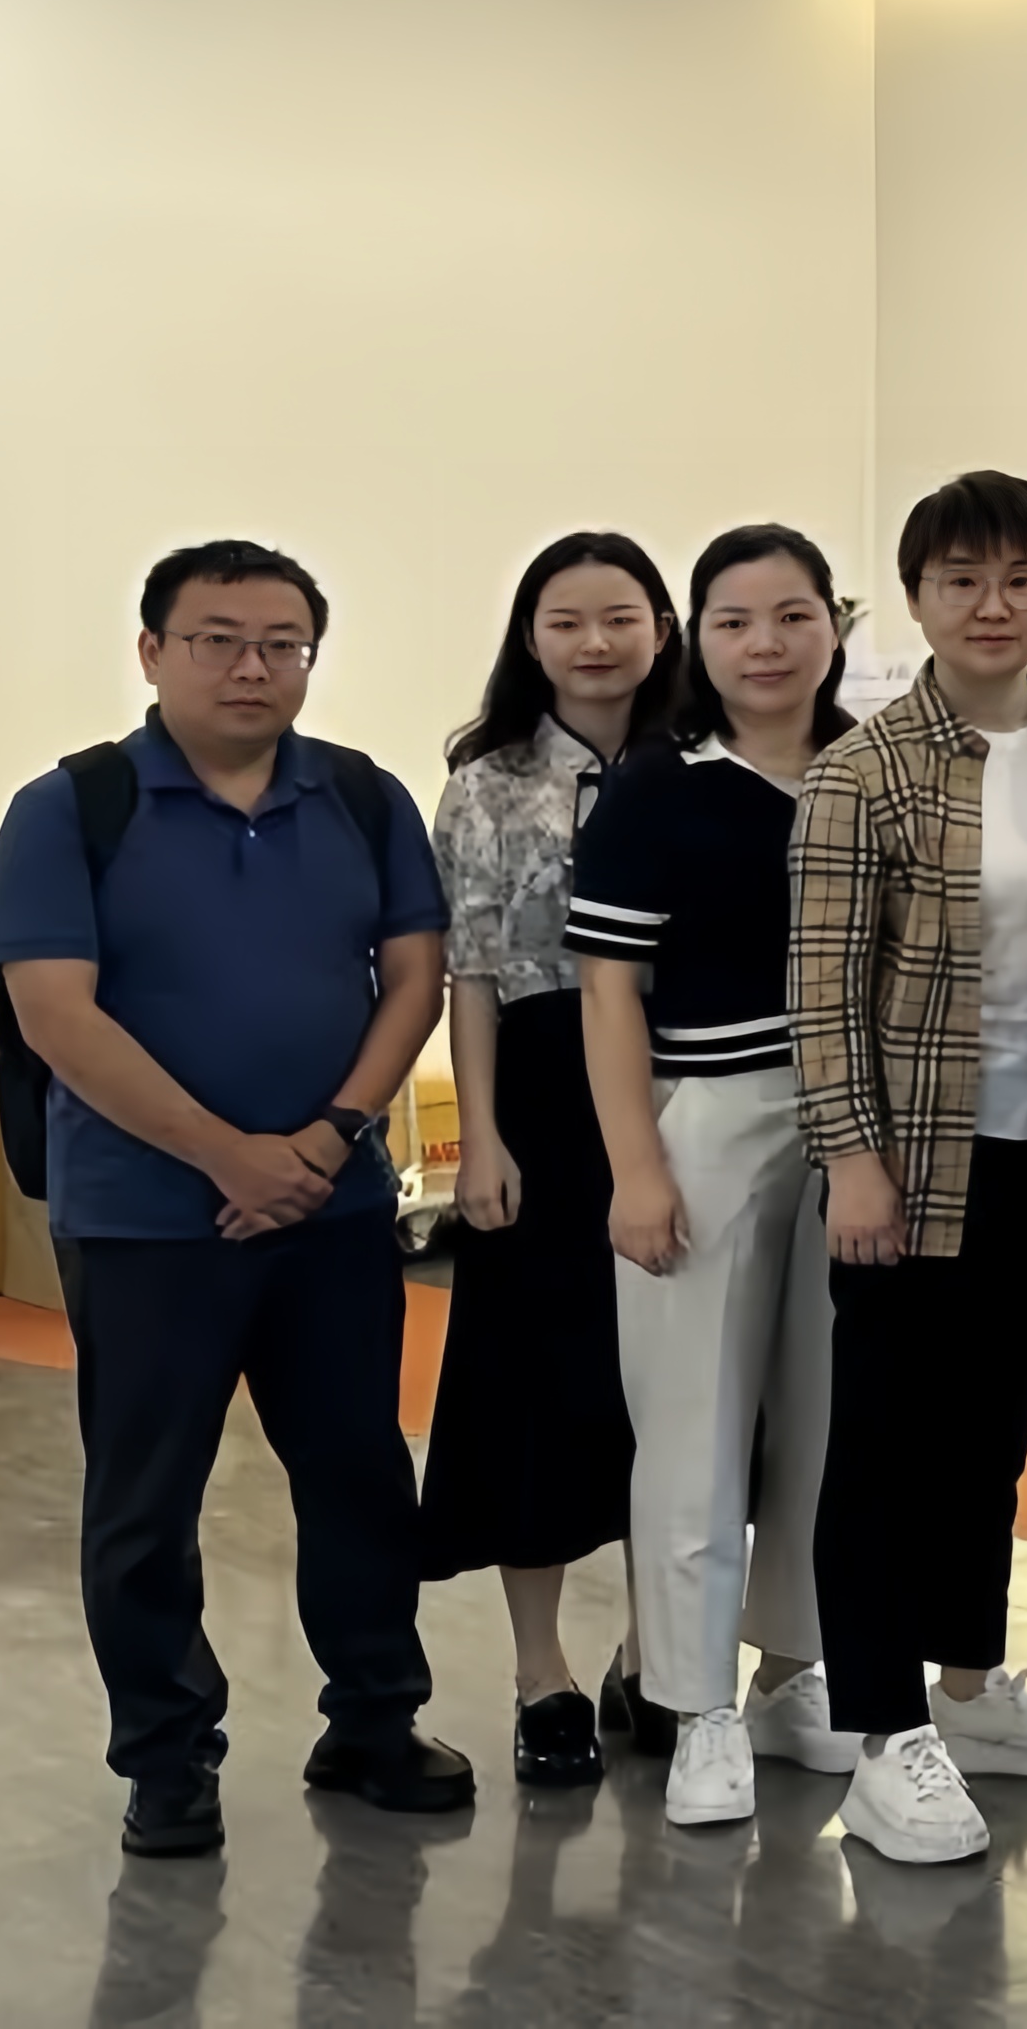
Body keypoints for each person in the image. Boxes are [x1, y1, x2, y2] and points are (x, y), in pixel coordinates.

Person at [0, 540, 465, 1855]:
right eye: (217, 639)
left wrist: (325, 1139)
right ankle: (166, 1757)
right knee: (146, 1499)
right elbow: (56, 1015)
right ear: (153, 651)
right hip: (145, 1222)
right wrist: (227, 1155)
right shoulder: (71, 806)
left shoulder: (363, 796)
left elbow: (413, 980)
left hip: (333, 1211)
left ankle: (373, 1719)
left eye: (281, 643)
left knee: (359, 1472)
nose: (252, 666)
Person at [790, 472, 1027, 1868]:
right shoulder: (861, 770)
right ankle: (885, 1734)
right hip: (920, 1157)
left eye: (1022, 578)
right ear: (917, 596)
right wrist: (853, 1162)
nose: (994, 605)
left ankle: (971, 1687)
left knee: (992, 1430)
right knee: (882, 1446)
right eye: (962, 580)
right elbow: (822, 992)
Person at [575, 523, 854, 1828]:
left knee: (829, 1421)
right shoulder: (656, 785)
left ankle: (797, 1672)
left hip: (856, 1125)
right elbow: (609, 994)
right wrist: (636, 1167)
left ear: (835, 624)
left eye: (794, 615)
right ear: (700, 637)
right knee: (693, 1427)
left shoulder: (871, 770)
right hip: (711, 1116)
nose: (767, 644)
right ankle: (695, 1707)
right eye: (736, 620)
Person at [420, 532, 675, 1785]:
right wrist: (482, 1137)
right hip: (538, 1090)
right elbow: (469, 973)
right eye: (565, 619)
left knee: (674, 1387)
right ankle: (542, 1672)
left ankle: (653, 1653)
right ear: (530, 637)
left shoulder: (705, 761)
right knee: (534, 1385)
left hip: (687, 1087)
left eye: (620, 615)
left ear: (663, 627)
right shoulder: (486, 781)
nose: (595, 641)